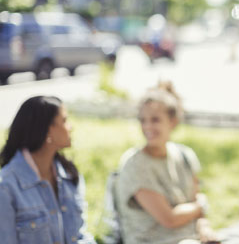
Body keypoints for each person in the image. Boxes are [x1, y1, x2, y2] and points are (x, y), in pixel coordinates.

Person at [114, 82, 219, 244]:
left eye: (155, 120)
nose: (147, 126)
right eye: (143, 120)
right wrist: (200, 205)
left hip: (193, 238)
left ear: (173, 122)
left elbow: (195, 200)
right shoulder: (134, 164)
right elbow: (170, 219)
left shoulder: (185, 155)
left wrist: (204, 226)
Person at [0, 95, 95, 244]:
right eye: (64, 121)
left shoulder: (69, 174)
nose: (70, 127)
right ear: (47, 130)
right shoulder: (6, 187)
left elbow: (80, 236)